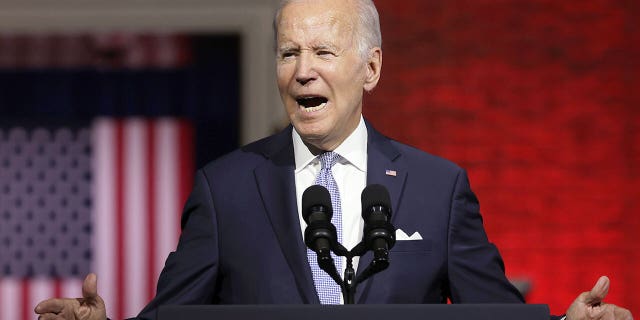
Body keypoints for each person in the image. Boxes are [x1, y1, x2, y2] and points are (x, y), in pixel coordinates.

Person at [35, 1, 633, 320]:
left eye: (323, 50)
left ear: (370, 68)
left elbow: (494, 314)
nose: (302, 70)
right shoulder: (226, 188)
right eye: (289, 52)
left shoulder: (437, 186)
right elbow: (171, 318)